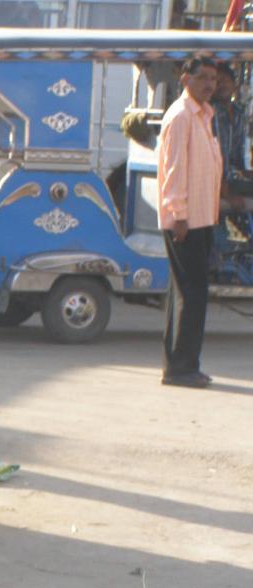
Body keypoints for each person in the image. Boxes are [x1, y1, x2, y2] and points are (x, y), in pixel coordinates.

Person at [157, 56, 222, 388]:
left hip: (200, 217)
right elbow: (174, 171)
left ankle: (179, 365)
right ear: (185, 79)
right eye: (203, 78)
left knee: (185, 293)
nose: (209, 84)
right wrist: (179, 216)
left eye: (213, 78)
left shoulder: (204, 115)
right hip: (185, 221)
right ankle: (182, 369)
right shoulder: (181, 116)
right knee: (192, 294)